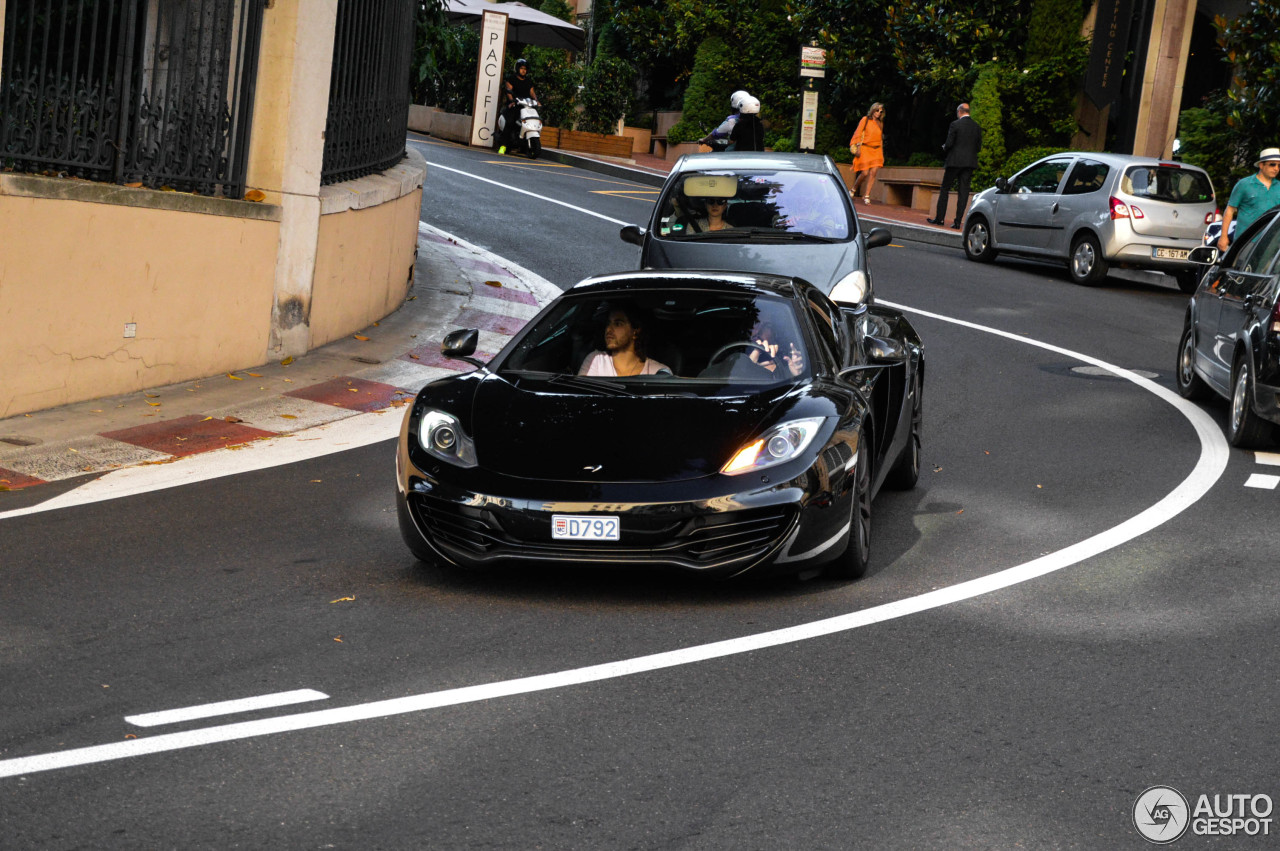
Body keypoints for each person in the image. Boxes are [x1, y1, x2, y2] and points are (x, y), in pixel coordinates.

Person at [929, 102, 984, 228]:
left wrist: (944, 147)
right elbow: (978, 147)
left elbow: (949, 143)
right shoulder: (976, 127)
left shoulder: (955, 124)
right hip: (969, 163)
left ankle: (940, 219)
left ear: (959, 112)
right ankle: (958, 222)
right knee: (963, 191)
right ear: (968, 112)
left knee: (945, 188)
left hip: (954, 161)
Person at [579, 304, 671, 376]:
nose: (608, 330)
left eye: (618, 324)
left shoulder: (658, 372)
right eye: (608, 324)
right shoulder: (597, 360)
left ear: (635, 331)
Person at [1218, 147, 1280, 252]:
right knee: (1242, 268)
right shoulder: (1244, 184)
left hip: (1271, 242)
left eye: (1279, 165)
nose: (1276, 168)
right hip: (1246, 241)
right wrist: (1223, 236)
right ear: (1261, 165)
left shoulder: (1279, 186)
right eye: (1272, 164)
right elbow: (1230, 210)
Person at [497, 58, 538, 152]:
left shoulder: (528, 81)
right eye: (521, 68)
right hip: (515, 105)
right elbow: (509, 91)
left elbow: (532, 92)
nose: (523, 70)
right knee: (510, 122)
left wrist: (536, 100)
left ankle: (524, 145)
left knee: (532, 119)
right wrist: (512, 101)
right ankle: (503, 146)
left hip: (526, 106)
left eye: (525, 69)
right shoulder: (512, 79)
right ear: (517, 69)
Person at [849, 103, 885, 205]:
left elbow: (880, 139)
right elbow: (858, 133)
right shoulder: (865, 120)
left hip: (876, 150)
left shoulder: (880, 123)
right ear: (873, 110)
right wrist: (858, 147)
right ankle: (853, 190)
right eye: (877, 110)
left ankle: (867, 195)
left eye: (881, 111)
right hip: (865, 148)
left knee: (873, 173)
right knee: (864, 173)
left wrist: (881, 153)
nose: (878, 113)